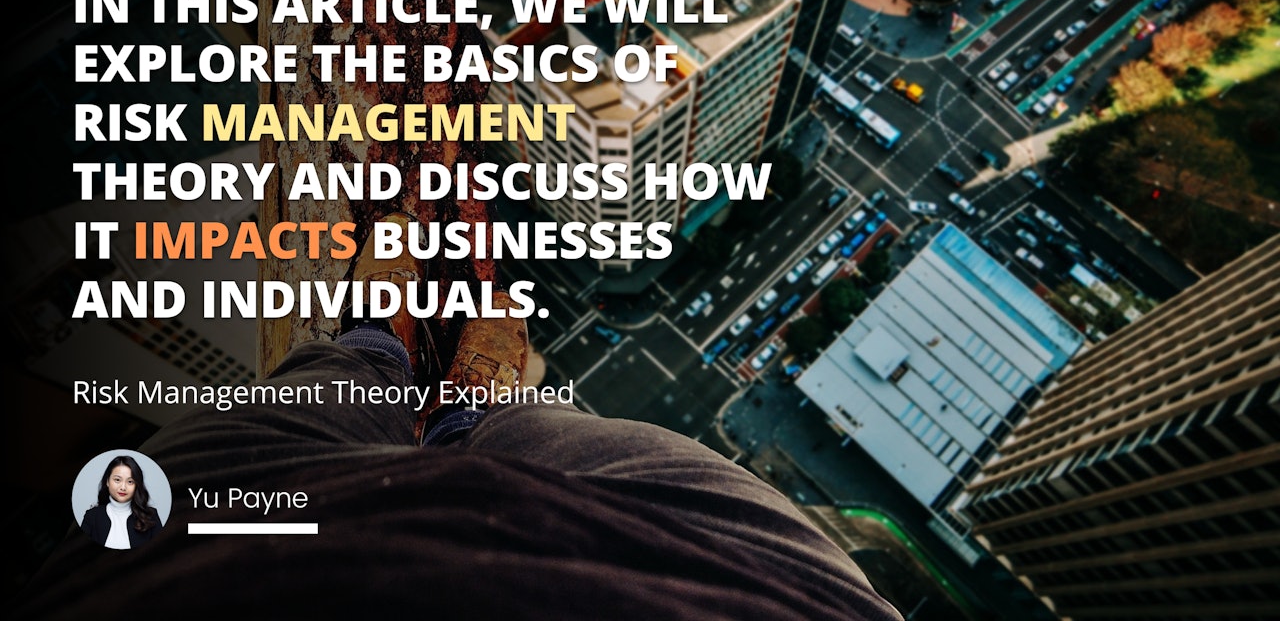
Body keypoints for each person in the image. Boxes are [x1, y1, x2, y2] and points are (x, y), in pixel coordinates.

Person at [20, 213, 902, 619]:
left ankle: (375, 349)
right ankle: (474, 409)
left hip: (181, 585)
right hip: (771, 599)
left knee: (246, 445)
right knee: (585, 445)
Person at [79, 455, 163, 550]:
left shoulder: (151, 516)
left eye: (130, 482)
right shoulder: (92, 516)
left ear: (136, 485)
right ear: (107, 481)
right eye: (117, 480)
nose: (123, 487)